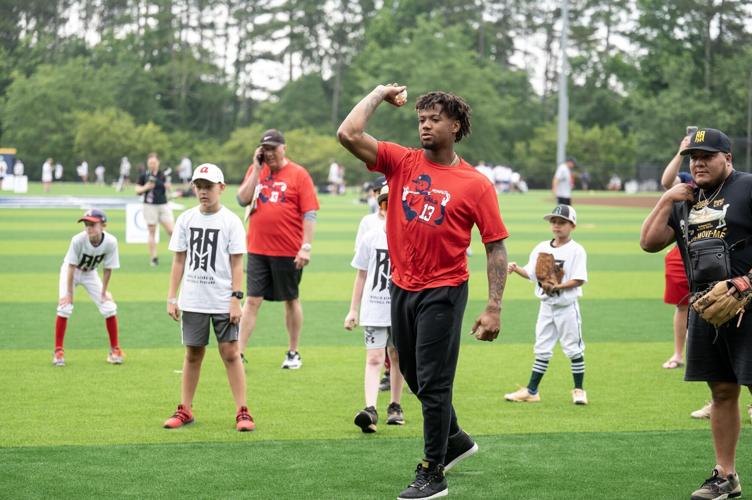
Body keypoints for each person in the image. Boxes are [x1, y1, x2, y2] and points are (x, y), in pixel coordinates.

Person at [338, 85, 509, 499]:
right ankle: (456, 439)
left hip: (444, 290)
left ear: (456, 126)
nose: (425, 126)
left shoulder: (475, 184)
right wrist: (378, 94)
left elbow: (495, 246)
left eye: (434, 119)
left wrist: (493, 306)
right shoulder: (401, 162)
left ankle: (433, 472)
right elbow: (348, 134)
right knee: (414, 377)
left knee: (433, 382)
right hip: (402, 287)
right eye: (421, 119)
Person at [640, 127, 751, 499]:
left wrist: (746, 283)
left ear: (728, 159)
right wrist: (665, 200)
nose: (699, 163)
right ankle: (726, 476)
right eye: (693, 158)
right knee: (722, 392)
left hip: (749, 304)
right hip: (708, 309)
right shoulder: (685, 199)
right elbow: (649, 243)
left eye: (706, 156)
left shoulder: (747, 187)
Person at [163, 163, 254, 432]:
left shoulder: (231, 221)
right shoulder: (186, 219)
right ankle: (185, 409)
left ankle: (242, 411)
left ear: (221, 188)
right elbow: (179, 260)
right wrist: (171, 296)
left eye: (208, 187)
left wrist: (236, 298)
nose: (203, 192)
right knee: (193, 353)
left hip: (222, 298)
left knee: (230, 352)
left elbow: (238, 263)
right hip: (193, 298)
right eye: (199, 186)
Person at [236, 129, 319, 369]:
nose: (269, 153)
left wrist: (306, 247)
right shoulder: (257, 170)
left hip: (288, 250)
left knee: (291, 299)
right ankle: (238, 353)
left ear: (283, 148)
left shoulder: (298, 174)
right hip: (257, 248)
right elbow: (242, 199)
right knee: (252, 300)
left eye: (273, 148)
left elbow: (310, 212)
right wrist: (256, 168)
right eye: (265, 149)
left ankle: (293, 352)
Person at [504, 204, 588, 404]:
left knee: (573, 348)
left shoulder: (576, 250)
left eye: (562, 222)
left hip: (567, 307)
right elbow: (531, 274)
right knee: (542, 347)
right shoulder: (541, 247)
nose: (557, 226)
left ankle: (579, 390)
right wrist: (516, 269)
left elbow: (579, 279)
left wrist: (558, 286)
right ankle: (532, 391)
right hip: (546, 306)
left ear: (572, 225)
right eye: (554, 222)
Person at [345, 185, 406, 432]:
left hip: (400, 307)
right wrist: (353, 310)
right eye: (384, 204)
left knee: (398, 356)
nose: (388, 208)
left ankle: (395, 405)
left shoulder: (411, 236)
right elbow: (361, 276)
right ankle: (370, 410)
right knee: (374, 358)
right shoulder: (371, 237)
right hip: (374, 307)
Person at [53, 208, 123, 367]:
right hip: (71, 271)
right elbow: (71, 266)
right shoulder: (78, 240)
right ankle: (58, 351)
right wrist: (69, 294)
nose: (88, 227)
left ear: (103, 225)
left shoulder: (111, 242)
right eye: (86, 224)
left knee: (109, 306)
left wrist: (104, 292)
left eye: (92, 224)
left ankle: (115, 350)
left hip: (90, 273)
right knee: (65, 306)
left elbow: (108, 268)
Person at [659, 135, 694, 371]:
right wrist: (681, 152)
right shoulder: (687, 183)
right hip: (681, 253)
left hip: (715, 254)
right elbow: (666, 182)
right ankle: (679, 354)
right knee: (682, 306)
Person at [135, 152, 174, 267]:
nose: (152, 165)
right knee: (152, 231)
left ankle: (177, 256)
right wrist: (146, 187)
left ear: (158, 163)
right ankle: (153, 257)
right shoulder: (144, 175)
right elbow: (137, 190)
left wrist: (167, 185)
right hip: (149, 206)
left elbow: (168, 187)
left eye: (154, 162)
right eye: (150, 163)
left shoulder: (163, 175)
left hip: (163, 204)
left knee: (172, 231)